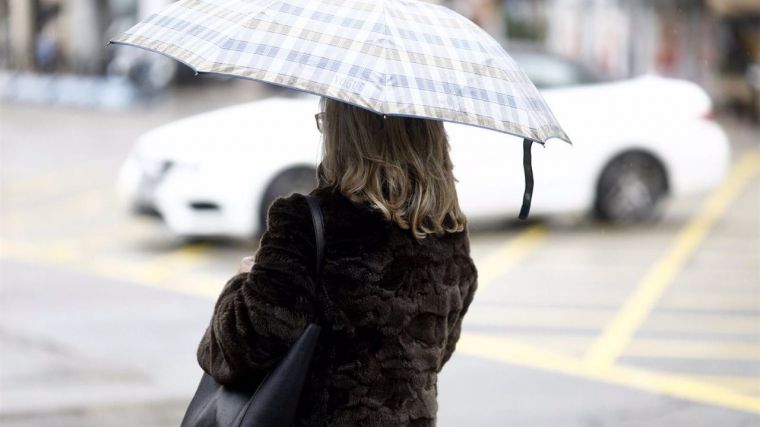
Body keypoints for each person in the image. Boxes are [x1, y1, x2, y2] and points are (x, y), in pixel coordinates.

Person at [196, 96, 479, 426]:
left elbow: (243, 350)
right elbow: (432, 351)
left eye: (326, 120)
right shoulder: (447, 231)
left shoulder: (307, 222)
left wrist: (242, 282)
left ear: (346, 134)